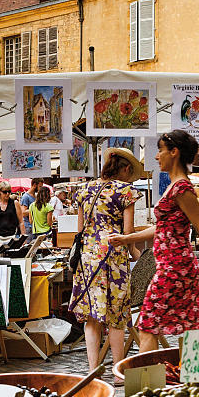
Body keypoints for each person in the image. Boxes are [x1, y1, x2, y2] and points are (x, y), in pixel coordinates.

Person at [109, 130, 199, 354]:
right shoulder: (175, 186)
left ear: (174, 152)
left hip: (175, 267)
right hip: (175, 265)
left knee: (148, 324)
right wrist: (127, 238)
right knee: (194, 323)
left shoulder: (182, 188)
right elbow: (162, 227)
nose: (157, 156)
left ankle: (148, 384)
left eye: (161, 151)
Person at [70, 148, 141, 377]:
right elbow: (128, 233)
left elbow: (80, 231)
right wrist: (137, 253)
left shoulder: (83, 190)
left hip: (88, 260)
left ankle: (93, 370)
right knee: (116, 316)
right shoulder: (125, 191)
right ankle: (118, 372)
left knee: (92, 317)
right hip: (113, 257)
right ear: (126, 168)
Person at [0, 181, 24, 248]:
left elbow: (21, 221)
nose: (7, 194)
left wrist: (23, 238)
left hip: (12, 237)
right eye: (4, 192)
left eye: (9, 192)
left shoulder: (15, 203)